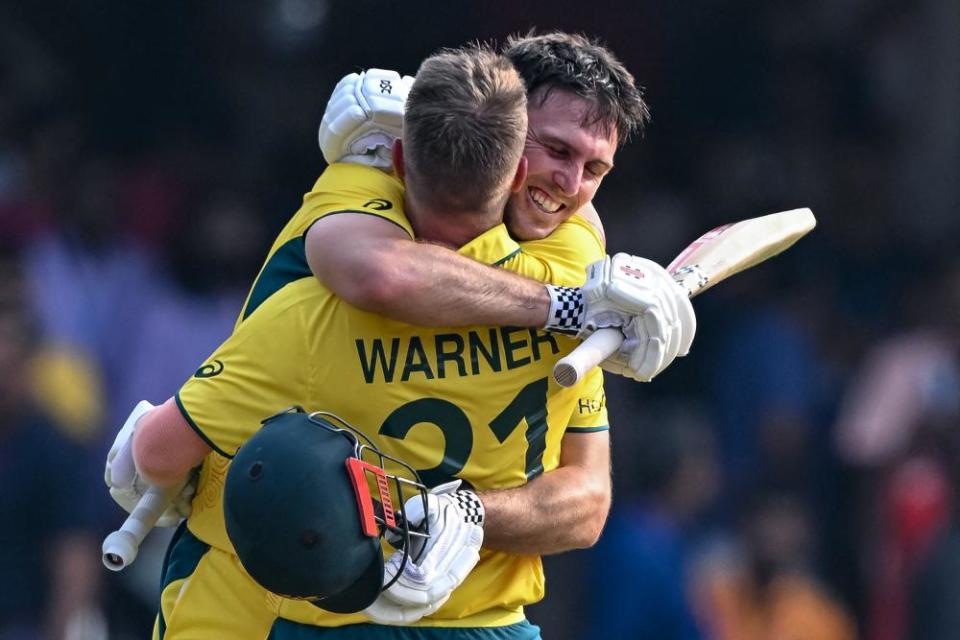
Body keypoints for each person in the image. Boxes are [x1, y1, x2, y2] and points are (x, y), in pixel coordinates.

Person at [106, 37, 694, 639]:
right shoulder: (582, 288)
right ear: (510, 146)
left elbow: (587, 504)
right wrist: (566, 308)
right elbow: (380, 274)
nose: (568, 185)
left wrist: (466, 514)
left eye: (594, 169)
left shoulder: (325, 294)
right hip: (280, 605)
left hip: (410, 615)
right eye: (556, 150)